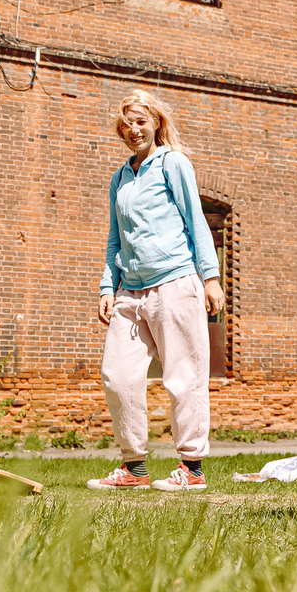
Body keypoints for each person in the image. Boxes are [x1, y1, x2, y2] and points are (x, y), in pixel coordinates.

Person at [87, 90, 225, 493]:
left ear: (156, 124)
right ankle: (134, 467)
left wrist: (210, 275)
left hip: (175, 283)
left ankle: (192, 468)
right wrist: (106, 286)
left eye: (141, 121)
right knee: (118, 376)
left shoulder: (173, 163)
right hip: (130, 291)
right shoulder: (120, 177)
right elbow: (116, 238)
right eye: (128, 123)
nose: (134, 130)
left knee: (184, 376)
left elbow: (195, 219)